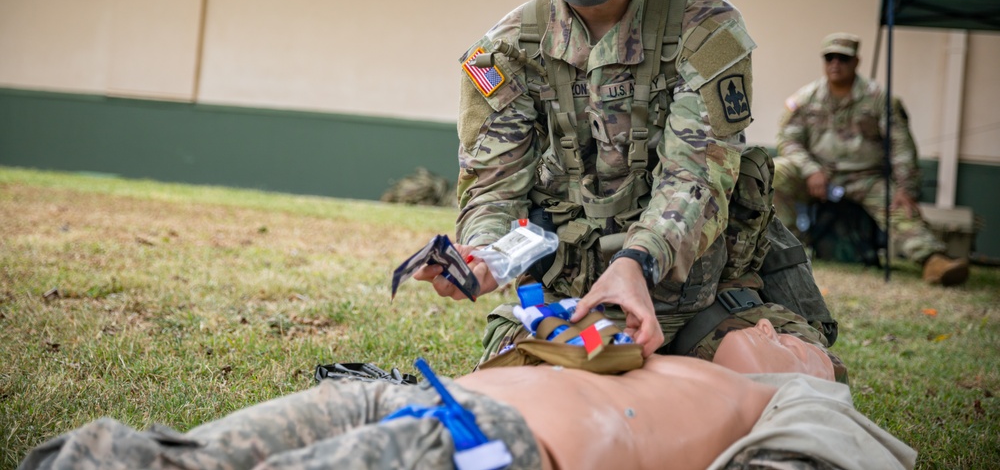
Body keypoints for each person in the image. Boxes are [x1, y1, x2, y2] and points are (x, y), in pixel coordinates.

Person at [415, 0, 839, 371]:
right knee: (534, 412)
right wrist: (485, 255)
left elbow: (696, 179)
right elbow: (494, 188)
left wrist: (637, 262)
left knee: (790, 379)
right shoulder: (505, 53)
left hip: (699, 297)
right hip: (563, 305)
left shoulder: (703, 29)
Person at [16, 320, 916, 470]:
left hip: (474, 449)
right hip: (413, 400)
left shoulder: (803, 407)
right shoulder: (658, 348)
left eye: (805, 342)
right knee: (140, 453)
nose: (793, 333)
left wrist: (813, 393)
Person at [773, 32, 969, 286]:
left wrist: (906, 188)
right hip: (819, 174)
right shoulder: (805, 98)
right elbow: (787, 139)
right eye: (830, 57)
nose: (836, 63)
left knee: (898, 205)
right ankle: (787, 253)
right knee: (776, 172)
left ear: (856, 61)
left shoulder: (880, 99)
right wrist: (810, 169)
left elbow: (901, 146)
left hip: (865, 177)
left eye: (843, 58)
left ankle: (932, 260)